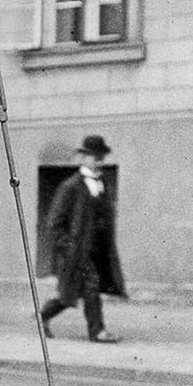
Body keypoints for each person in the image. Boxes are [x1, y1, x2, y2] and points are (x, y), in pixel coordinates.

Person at [38, 135, 127, 343]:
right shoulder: (70, 187)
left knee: (72, 292)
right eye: (94, 157)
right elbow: (54, 224)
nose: (99, 161)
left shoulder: (102, 182)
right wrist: (70, 247)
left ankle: (42, 316)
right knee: (90, 286)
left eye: (101, 157)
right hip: (75, 252)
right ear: (83, 158)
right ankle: (97, 331)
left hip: (97, 250)